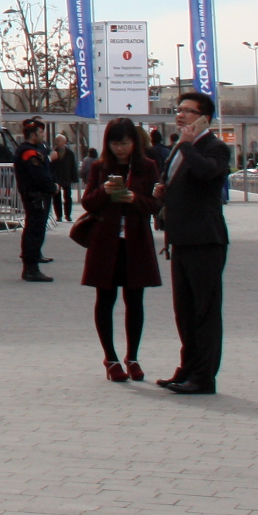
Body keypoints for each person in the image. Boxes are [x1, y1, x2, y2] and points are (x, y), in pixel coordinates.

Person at [157, 91, 232, 394]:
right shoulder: (179, 148)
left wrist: (188, 145)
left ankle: (204, 377)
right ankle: (187, 368)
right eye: (179, 109)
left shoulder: (215, 148)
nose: (180, 115)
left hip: (206, 240)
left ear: (204, 119)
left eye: (187, 111)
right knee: (184, 311)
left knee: (205, 311)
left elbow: (207, 174)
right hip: (181, 240)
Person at [77, 118, 160, 381]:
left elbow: (157, 205)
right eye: (114, 143)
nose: (119, 149)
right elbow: (88, 202)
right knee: (105, 299)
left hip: (136, 242)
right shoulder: (101, 167)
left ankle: (132, 357)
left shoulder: (147, 167)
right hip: (106, 243)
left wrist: (135, 199)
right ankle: (110, 359)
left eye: (124, 143)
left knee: (135, 301)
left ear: (134, 142)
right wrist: (104, 191)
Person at [14, 119, 57, 281]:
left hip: (35, 196)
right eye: (41, 133)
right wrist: (52, 187)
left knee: (34, 230)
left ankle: (31, 265)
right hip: (35, 196)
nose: (43, 136)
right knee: (34, 231)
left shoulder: (32, 150)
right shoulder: (28, 152)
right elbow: (39, 175)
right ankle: (31, 268)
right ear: (33, 135)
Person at [50, 142, 77, 222]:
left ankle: (68, 215)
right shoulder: (53, 153)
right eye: (56, 140)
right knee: (56, 197)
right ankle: (59, 216)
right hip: (56, 177)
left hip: (66, 177)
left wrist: (74, 178)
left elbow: (73, 166)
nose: (57, 142)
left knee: (68, 197)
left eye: (59, 140)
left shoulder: (69, 153)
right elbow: (50, 165)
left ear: (63, 142)